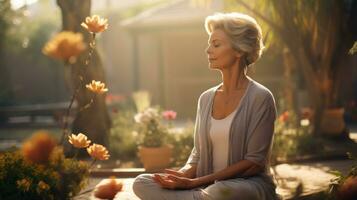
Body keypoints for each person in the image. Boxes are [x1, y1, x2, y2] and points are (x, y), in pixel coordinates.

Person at [132, 12, 279, 200]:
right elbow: (197, 155)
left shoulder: (261, 97)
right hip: (204, 185)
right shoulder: (206, 98)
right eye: (209, 44)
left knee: (220, 192)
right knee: (142, 182)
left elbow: (254, 163)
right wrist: (183, 175)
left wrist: (195, 183)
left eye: (216, 44)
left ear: (239, 50)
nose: (208, 50)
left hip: (246, 186)